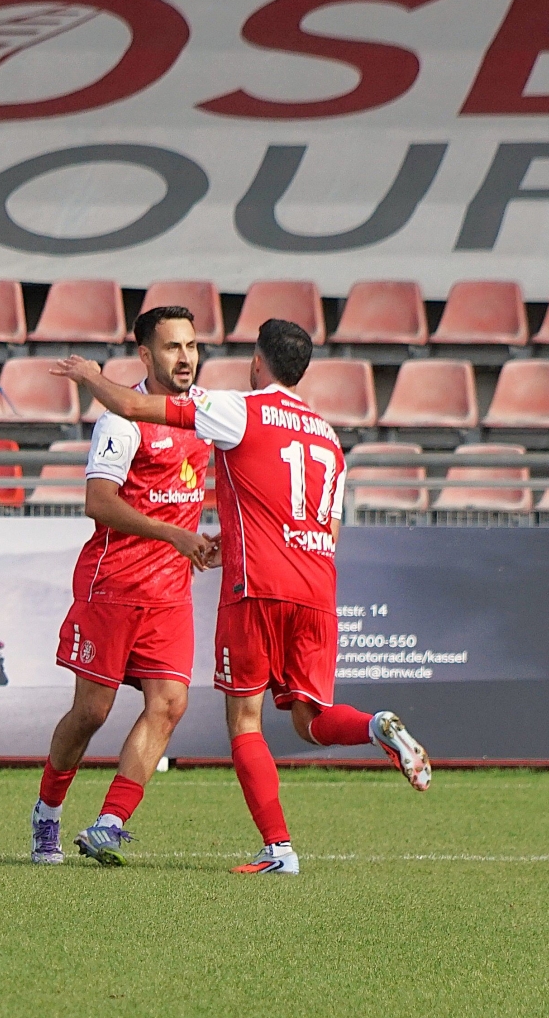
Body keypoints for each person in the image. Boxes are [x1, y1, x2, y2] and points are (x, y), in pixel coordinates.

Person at [54, 318, 431, 876]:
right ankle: (376, 725)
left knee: (246, 721)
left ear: (258, 362)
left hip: (256, 589)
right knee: (310, 720)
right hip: (317, 588)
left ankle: (278, 847)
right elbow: (326, 531)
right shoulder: (329, 439)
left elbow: (131, 407)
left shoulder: (240, 409)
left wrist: (90, 375)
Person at [31, 306, 217, 867]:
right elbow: (99, 502)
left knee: (170, 703)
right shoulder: (121, 421)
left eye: (191, 346)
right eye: (172, 347)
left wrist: (206, 541)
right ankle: (47, 812)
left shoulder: (207, 414)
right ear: (144, 354)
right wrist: (172, 533)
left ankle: (109, 823)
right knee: (92, 712)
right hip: (112, 585)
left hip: (170, 594)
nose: (185, 358)